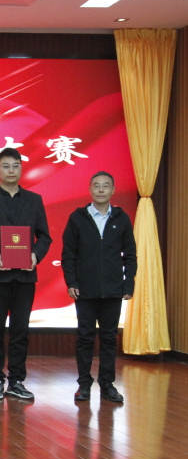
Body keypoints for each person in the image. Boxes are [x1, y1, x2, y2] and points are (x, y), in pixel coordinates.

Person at [0, 147, 52, 400]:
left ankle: (16, 380)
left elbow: (44, 236)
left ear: (21, 168)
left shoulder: (34, 200)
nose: (11, 170)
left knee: (20, 330)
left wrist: (35, 255)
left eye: (15, 165)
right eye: (6, 166)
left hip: (25, 276)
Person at [62, 171, 136, 403]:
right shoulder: (77, 218)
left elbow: (130, 255)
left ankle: (107, 384)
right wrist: (71, 282)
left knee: (109, 338)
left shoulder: (121, 218)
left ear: (113, 190)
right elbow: (68, 254)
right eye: (96, 186)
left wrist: (128, 283)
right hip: (84, 289)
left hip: (113, 289)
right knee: (85, 337)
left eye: (106, 186)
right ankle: (84, 385)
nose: (101, 190)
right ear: (90, 190)